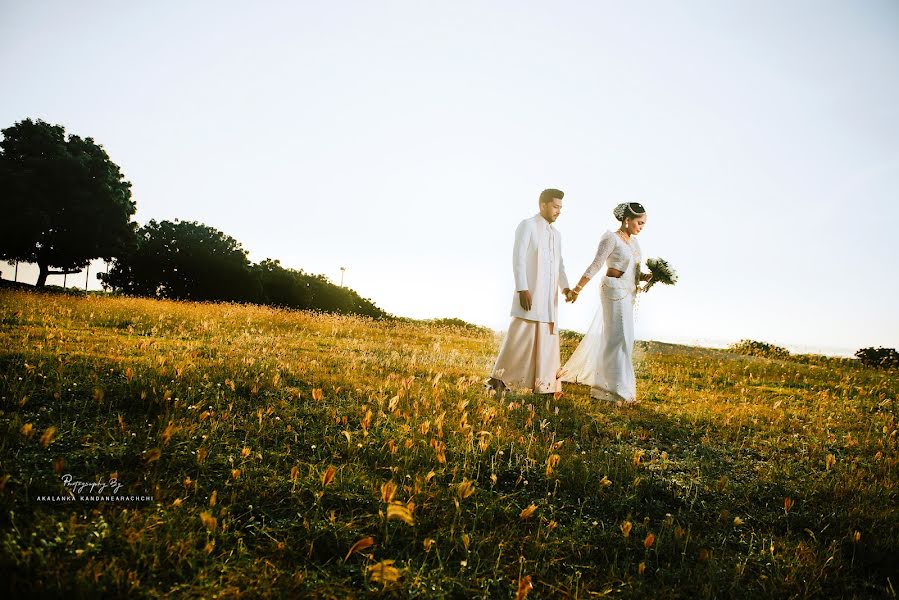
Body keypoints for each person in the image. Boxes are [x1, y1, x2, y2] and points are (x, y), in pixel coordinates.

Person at [561, 202, 652, 403]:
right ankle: (608, 390)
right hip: (612, 291)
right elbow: (596, 264)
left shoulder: (635, 243)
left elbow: (634, 271)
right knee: (616, 338)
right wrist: (577, 289)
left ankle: (621, 388)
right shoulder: (610, 238)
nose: (642, 227)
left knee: (626, 339)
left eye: (644, 223)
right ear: (627, 220)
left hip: (628, 293)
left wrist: (647, 276)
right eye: (639, 222)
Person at [486, 189, 571, 396]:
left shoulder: (557, 235)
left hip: (549, 300)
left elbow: (560, 265)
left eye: (561, 207)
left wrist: (566, 288)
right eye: (555, 206)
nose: (558, 211)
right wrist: (522, 288)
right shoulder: (528, 226)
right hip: (530, 293)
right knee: (519, 336)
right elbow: (518, 259)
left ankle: (544, 385)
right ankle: (499, 380)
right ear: (542, 205)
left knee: (546, 339)